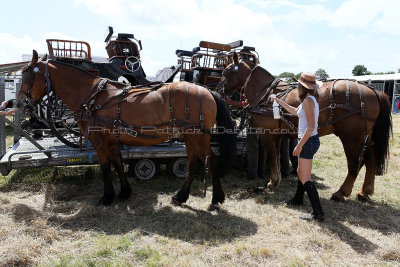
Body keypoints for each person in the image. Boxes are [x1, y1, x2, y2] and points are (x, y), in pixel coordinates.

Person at [271, 72, 325, 222]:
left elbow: (311, 127)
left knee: (305, 176)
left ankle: (318, 213)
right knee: (301, 172)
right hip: (309, 140)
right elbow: (295, 111)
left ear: (302, 86)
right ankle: (298, 199)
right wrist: (278, 101)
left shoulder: (308, 102)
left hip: (308, 141)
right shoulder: (309, 99)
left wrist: (299, 146)